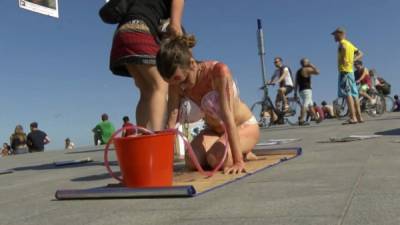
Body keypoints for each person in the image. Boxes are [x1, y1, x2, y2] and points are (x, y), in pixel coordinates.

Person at [156, 35, 260, 174]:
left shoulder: (217, 72)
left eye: (183, 80)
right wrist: (162, 164)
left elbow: (227, 116)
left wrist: (238, 161)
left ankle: (243, 153)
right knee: (192, 161)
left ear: (192, 64)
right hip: (214, 131)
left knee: (217, 159)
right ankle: (225, 147)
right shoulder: (176, 83)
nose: (181, 87)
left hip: (241, 125)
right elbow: (171, 121)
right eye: (172, 83)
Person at [99, 0, 185, 131]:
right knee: (160, 85)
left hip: (122, 34)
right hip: (141, 29)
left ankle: (143, 138)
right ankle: (156, 137)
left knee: (146, 91)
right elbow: (175, 27)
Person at [332, 27, 364, 124]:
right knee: (355, 94)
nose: (334, 37)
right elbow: (361, 53)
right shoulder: (350, 44)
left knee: (347, 94)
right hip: (350, 71)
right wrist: (353, 60)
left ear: (340, 34)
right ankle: (359, 117)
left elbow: (344, 49)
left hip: (344, 71)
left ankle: (353, 117)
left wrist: (346, 59)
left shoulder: (342, 43)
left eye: (335, 35)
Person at [294, 58, 320, 125]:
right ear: (305, 63)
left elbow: (296, 83)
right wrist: (312, 65)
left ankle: (316, 118)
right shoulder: (307, 69)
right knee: (305, 104)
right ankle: (302, 120)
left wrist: (295, 93)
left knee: (310, 105)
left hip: (301, 91)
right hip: (307, 90)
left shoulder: (298, 71)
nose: (309, 63)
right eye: (308, 62)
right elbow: (318, 72)